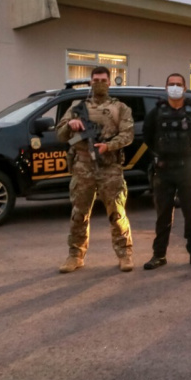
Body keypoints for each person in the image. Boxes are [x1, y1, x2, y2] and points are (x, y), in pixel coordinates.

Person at [56, 66, 135, 273]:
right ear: (90, 82)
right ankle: (75, 256)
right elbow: (60, 136)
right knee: (79, 214)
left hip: (110, 167)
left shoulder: (121, 108)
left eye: (103, 80)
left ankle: (124, 254)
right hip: (83, 166)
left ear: (109, 82)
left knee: (117, 213)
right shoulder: (77, 108)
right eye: (95, 80)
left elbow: (128, 135)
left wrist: (108, 146)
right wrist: (70, 125)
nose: (99, 83)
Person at [142, 73, 191, 270]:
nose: (174, 87)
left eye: (178, 84)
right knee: (163, 215)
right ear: (166, 88)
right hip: (164, 170)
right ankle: (159, 255)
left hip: (187, 169)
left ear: (184, 87)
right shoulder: (156, 113)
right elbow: (148, 136)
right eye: (171, 84)